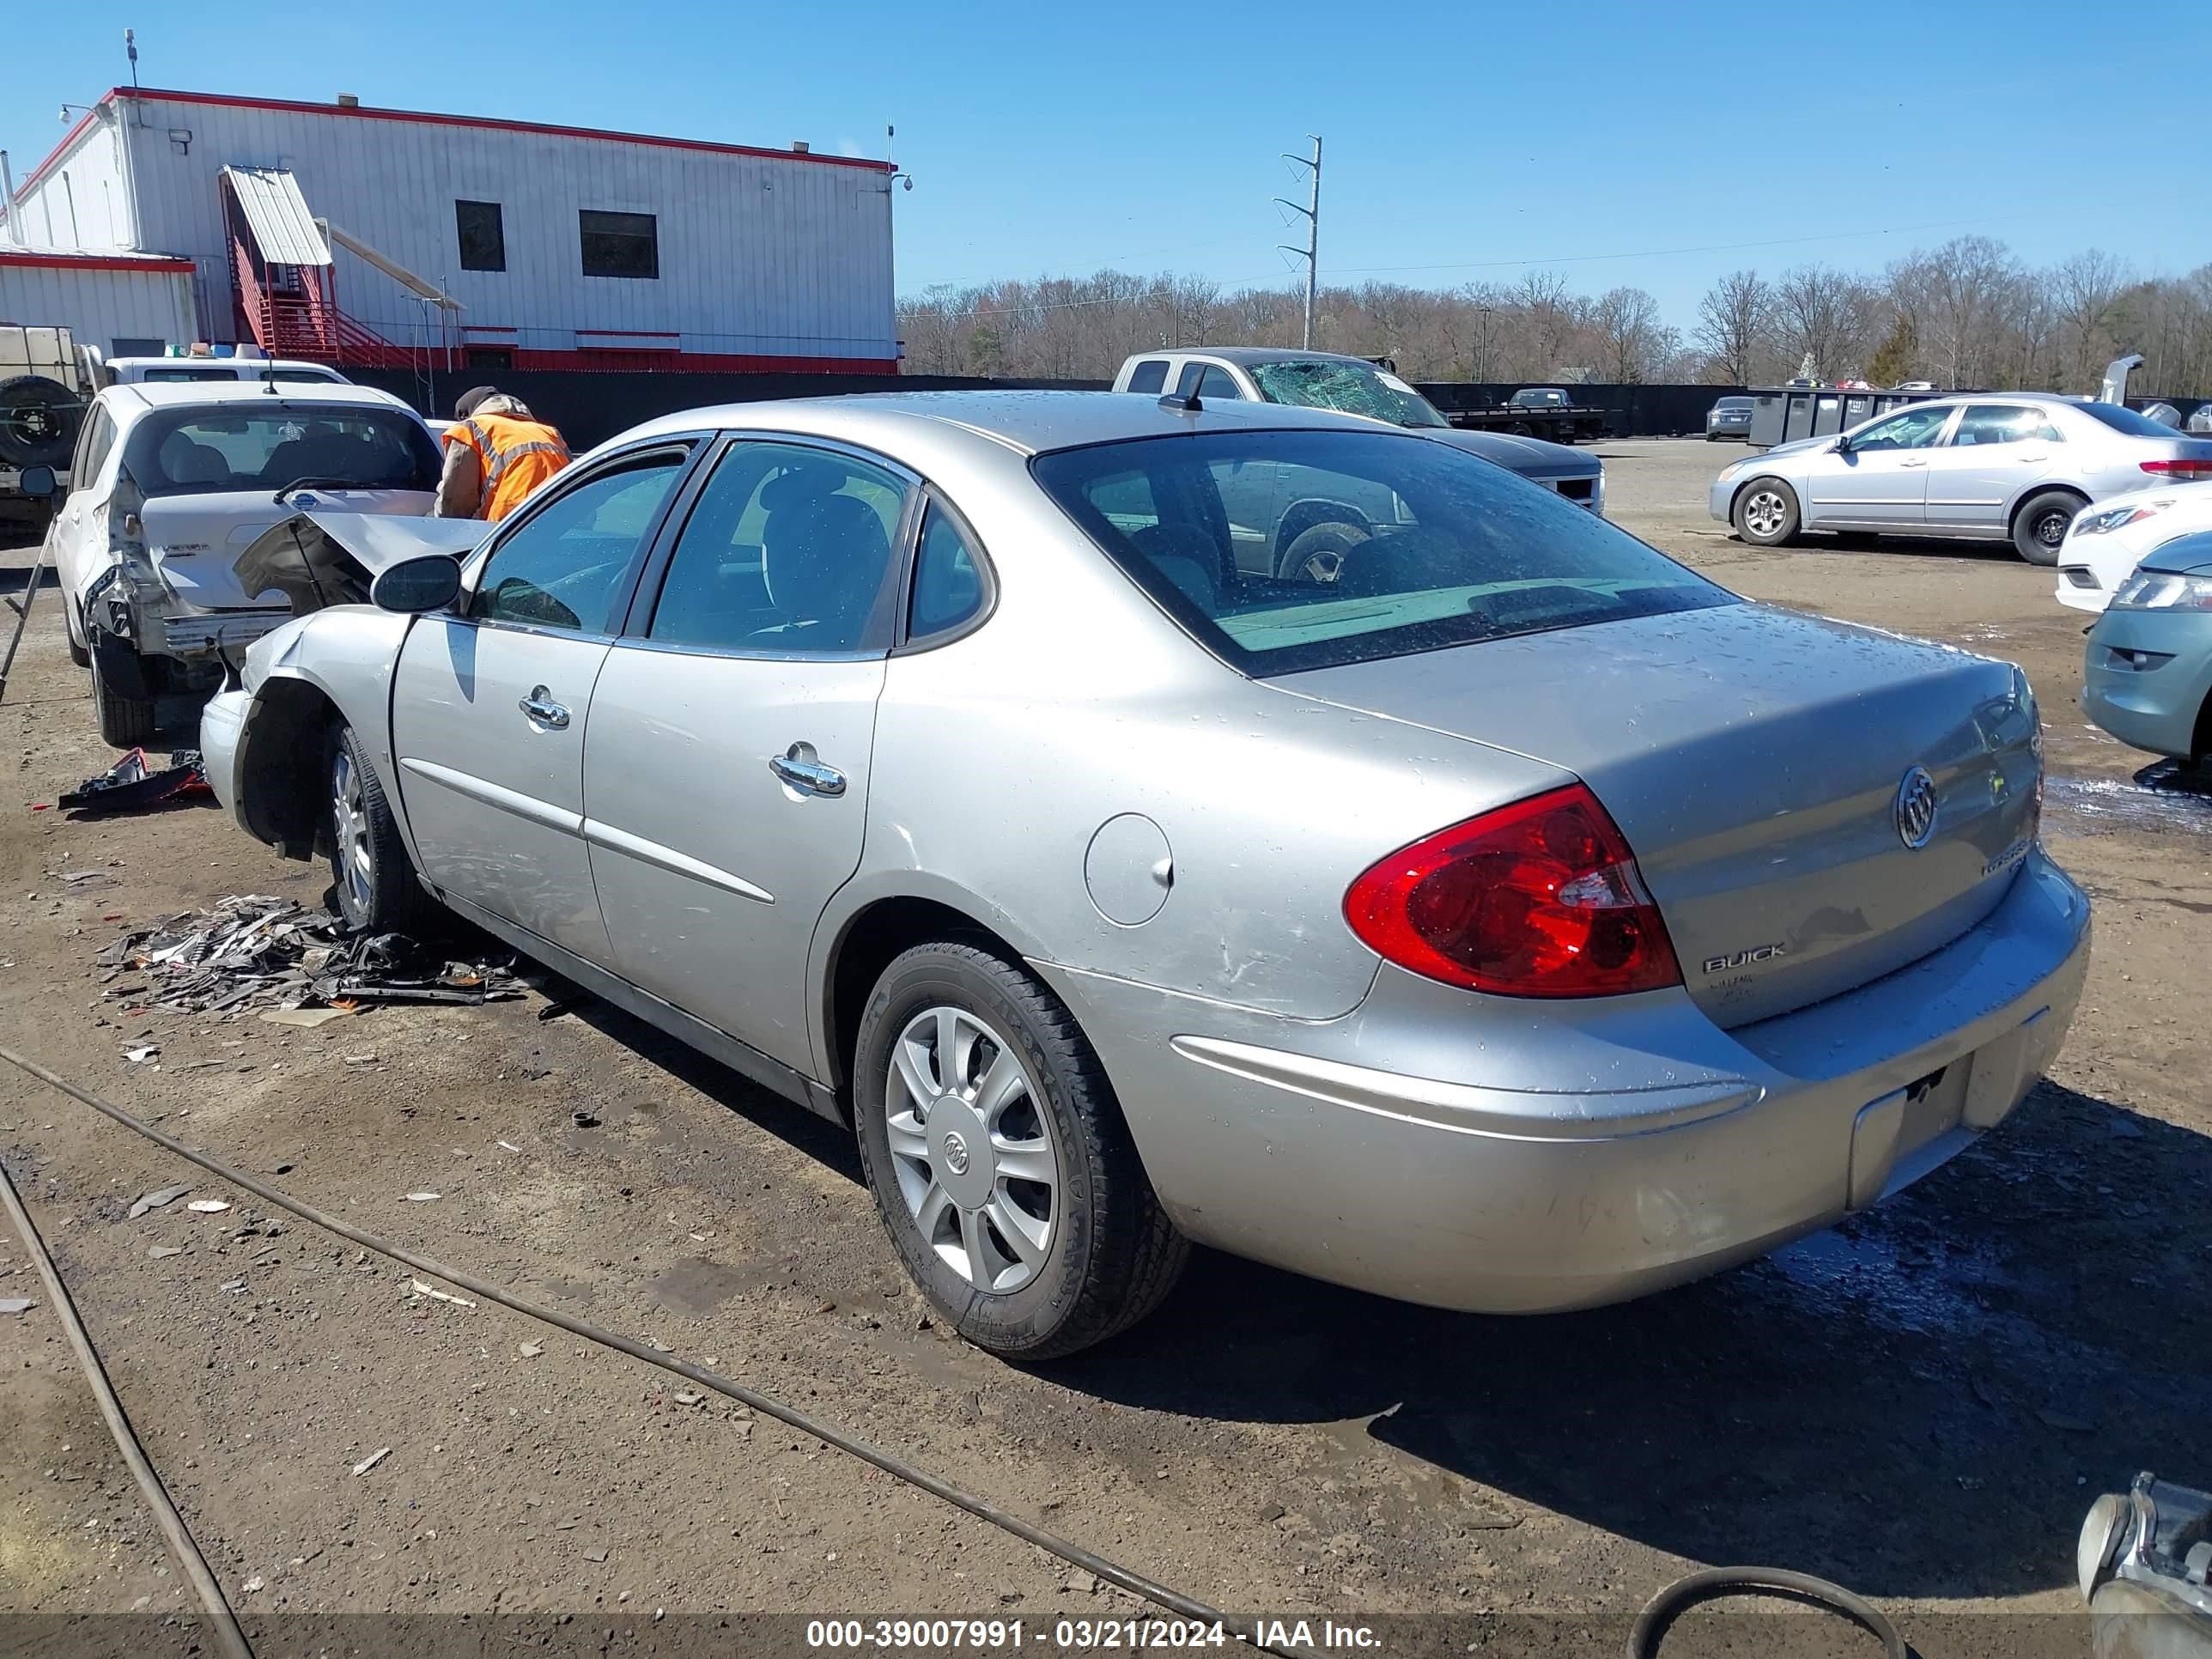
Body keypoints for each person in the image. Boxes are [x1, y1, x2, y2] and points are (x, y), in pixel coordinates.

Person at [433, 386, 571, 521]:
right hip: (561, 516)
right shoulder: (549, 432)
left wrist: (439, 521)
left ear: (464, 415)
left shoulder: (470, 428)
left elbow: (457, 502)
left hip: (512, 523)